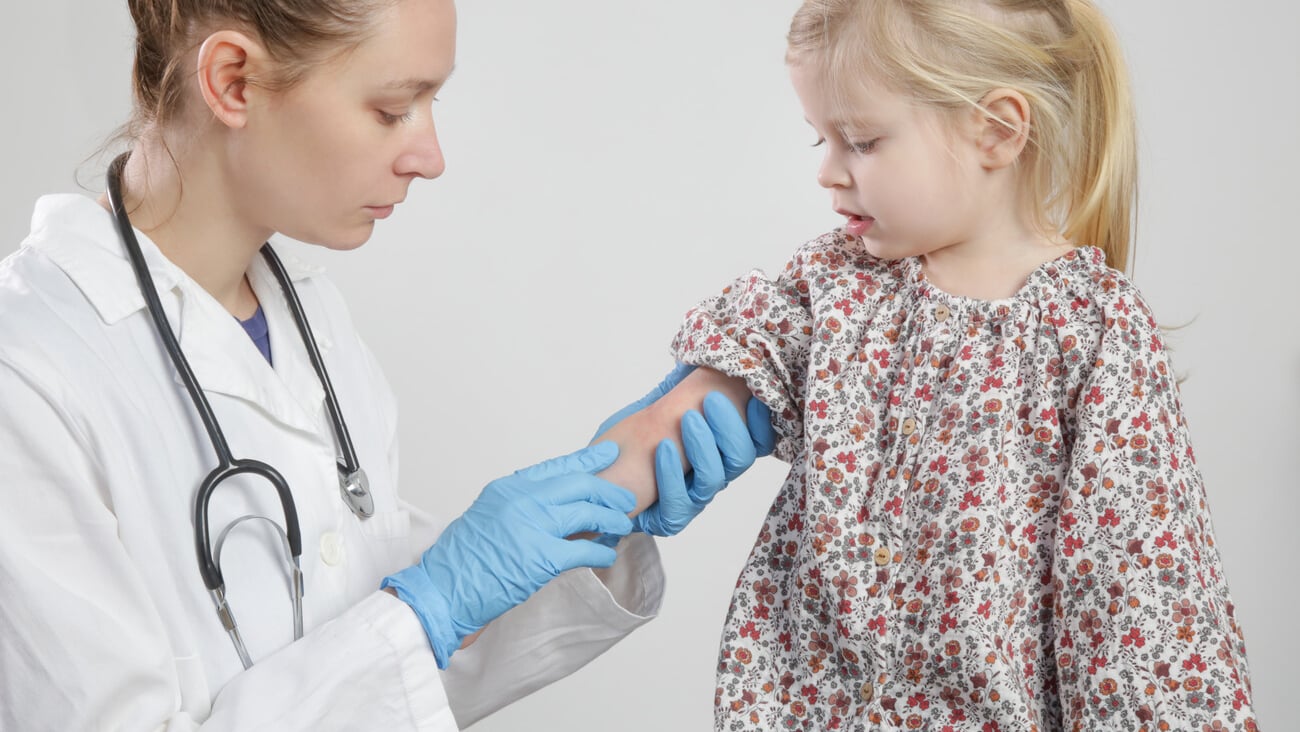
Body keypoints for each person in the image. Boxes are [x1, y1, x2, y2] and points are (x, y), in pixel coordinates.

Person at [0, 0, 775, 729]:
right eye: (392, 108)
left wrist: (603, 504)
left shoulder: (310, 317)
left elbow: (388, 663)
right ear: (232, 81)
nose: (430, 156)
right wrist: (432, 603)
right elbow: (398, 632)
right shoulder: (29, 370)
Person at [598, 0, 1260, 728]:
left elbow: (1140, 601)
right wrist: (578, 504)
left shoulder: (1089, 332)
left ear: (998, 131)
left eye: (862, 141)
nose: (828, 172)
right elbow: (680, 414)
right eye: (820, 139)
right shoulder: (836, 289)